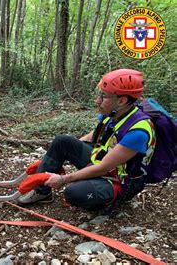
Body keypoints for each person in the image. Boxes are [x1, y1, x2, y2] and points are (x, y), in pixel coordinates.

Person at [15, 69, 155, 210]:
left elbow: (103, 167)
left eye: (103, 96)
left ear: (122, 100)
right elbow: (92, 136)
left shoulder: (138, 132)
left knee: (74, 193)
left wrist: (63, 179)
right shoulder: (115, 114)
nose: (97, 101)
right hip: (102, 161)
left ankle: (108, 199)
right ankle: (42, 192)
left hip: (121, 180)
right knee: (62, 141)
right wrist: (60, 157)